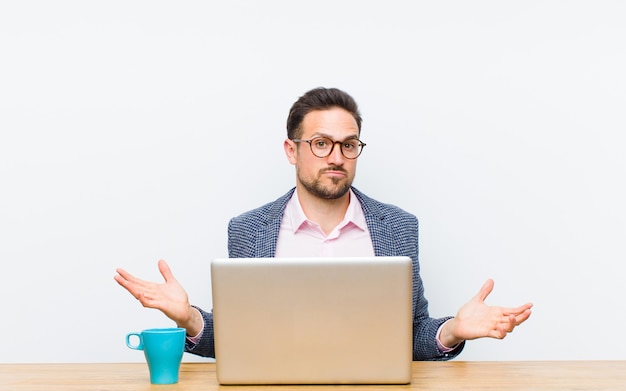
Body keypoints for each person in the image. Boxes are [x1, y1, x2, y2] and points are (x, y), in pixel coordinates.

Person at [114, 87, 533, 361]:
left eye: (348, 145)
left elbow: (411, 338)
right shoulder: (249, 229)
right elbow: (236, 342)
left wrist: (453, 330)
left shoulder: (398, 227)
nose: (336, 156)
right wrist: (188, 317)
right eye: (321, 143)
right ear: (291, 150)